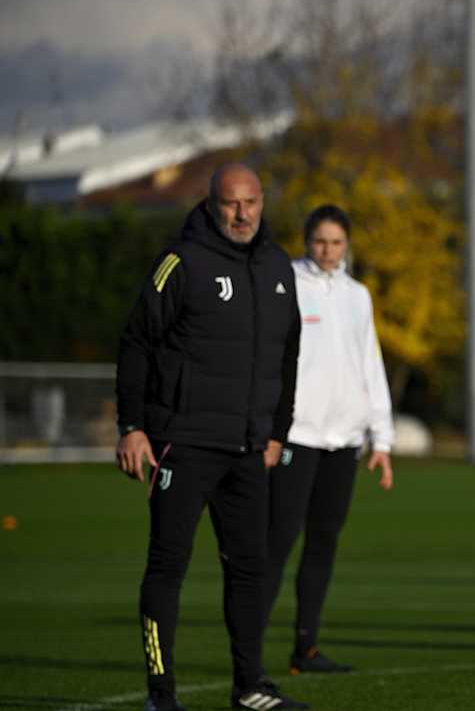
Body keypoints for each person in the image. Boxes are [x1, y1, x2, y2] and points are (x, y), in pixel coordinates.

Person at [116, 164, 307, 711]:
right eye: (230, 204)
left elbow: (287, 357)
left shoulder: (277, 267)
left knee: (251, 569)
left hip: (249, 451)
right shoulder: (182, 262)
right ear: (212, 204)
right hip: (183, 442)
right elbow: (136, 344)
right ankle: (161, 694)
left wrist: (277, 433)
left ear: (263, 200)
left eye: (251, 202)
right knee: (167, 566)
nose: (242, 213)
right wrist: (132, 427)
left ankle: (249, 687)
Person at [263, 205, 395, 675]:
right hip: (296, 435)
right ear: (306, 240)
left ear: (347, 245)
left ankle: (306, 649)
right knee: (277, 542)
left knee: (323, 543)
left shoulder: (358, 295)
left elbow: (370, 363)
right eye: (320, 241)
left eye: (336, 243)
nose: (328, 250)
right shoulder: (286, 285)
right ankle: (249, 652)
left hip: (344, 440)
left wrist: (381, 440)